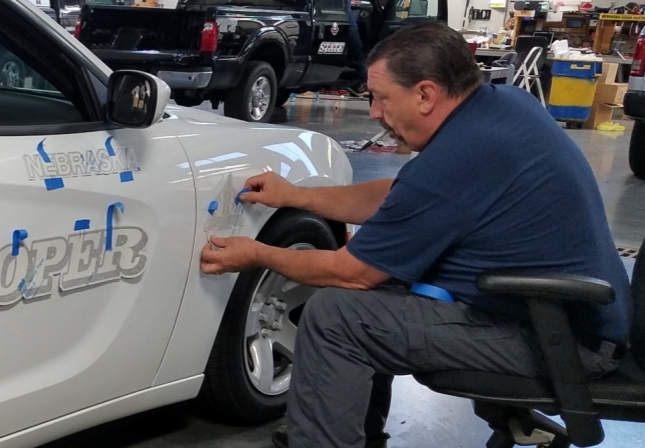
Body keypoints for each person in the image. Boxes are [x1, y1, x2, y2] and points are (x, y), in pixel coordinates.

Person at [199, 21, 631, 448]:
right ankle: (354, 435)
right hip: (562, 318)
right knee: (373, 299)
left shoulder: (462, 152)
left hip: (562, 340)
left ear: (425, 94)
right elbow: (404, 196)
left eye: (380, 98)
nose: (372, 112)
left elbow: (352, 273)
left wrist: (256, 254)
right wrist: (296, 195)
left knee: (338, 317)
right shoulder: (499, 107)